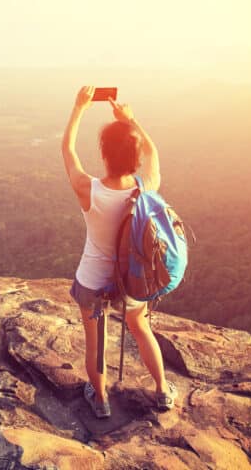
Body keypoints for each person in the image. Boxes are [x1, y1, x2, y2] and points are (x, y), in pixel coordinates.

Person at [61, 85, 177, 418]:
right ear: (134, 158)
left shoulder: (90, 191)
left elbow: (67, 150)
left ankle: (101, 401)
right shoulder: (146, 187)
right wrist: (131, 120)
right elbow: (154, 155)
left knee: (96, 344)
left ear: (104, 155)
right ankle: (162, 392)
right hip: (133, 278)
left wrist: (79, 107)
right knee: (141, 328)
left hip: (93, 280)